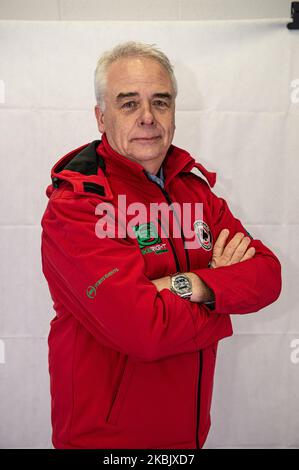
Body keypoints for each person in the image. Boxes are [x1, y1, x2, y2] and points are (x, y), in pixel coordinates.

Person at [41, 41, 281, 449]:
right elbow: (143, 331)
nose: (148, 118)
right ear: (101, 117)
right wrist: (220, 291)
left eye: (161, 102)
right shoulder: (77, 207)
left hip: (187, 435)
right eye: (129, 104)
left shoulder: (194, 191)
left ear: (174, 112)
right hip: (107, 442)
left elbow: (267, 275)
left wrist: (187, 285)